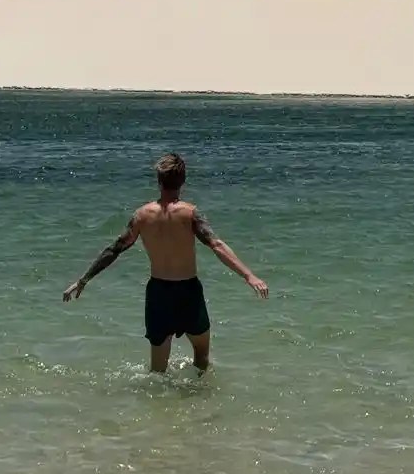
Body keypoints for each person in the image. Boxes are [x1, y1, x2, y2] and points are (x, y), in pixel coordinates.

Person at [63, 152, 267, 372]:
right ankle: (198, 401)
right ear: (183, 181)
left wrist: (83, 280)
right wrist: (249, 276)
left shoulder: (142, 215)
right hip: (188, 292)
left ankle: (157, 404)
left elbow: (114, 249)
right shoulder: (190, 214)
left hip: (158, 293)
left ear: (159, 181)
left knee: (157, 370)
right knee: (201, 357)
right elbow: (216, 245)